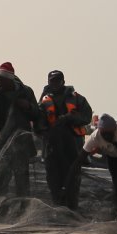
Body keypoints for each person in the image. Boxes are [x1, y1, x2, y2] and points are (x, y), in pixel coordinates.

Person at [37, 70, 93, 210]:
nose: (55, 84)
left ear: (63, 81)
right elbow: (38, 119)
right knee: (53, 176)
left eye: (57, 81)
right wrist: (44, 130)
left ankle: (72, 206)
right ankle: (57, 205)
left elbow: (87, 116)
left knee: (72, 175)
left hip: (72, 144)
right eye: (52, 81)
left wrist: (70, 118)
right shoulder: (44, 100)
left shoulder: (77, 98)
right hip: (52, 145)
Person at [0, 62, 39, 196]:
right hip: (1, 141)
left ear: (10, 80)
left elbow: (37, 114)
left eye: (1, 80)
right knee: (0, 175)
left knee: (22, 176)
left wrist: (28, 106)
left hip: (21, 141)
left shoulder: (26, 92)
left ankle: (22, 202)